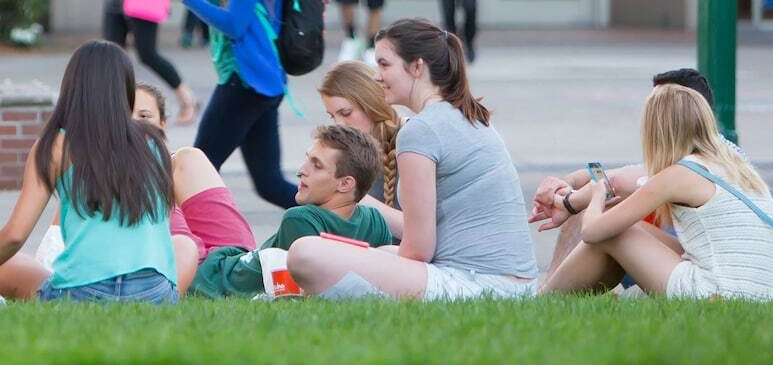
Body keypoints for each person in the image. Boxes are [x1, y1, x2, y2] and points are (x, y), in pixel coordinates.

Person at [286, 18, 538, 301]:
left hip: (478, 284)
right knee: (376, 254)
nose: (377, 76)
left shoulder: (420, 130)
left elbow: (417, 251)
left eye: (384, 64)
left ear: (417, 67)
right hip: (511, 282)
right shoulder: (468, 115)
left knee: (304, 253)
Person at [0, 40, 179, 304]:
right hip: (156, 292)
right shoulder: (154, 141)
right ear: (126, 90)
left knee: (1, 266)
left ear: (72, 88)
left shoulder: (57, 145)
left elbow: (16, 233)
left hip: (84, 291)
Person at [538, 84, 773, 301]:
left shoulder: (679, 174)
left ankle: (545, 299)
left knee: (611, 232)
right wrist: (573, 201)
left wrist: (595, 193)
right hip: (772, 293)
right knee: (622, 223)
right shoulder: (734, 165)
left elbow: (592, 232)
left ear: (656, 130)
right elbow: (629, 183)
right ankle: (566, 298)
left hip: (717, 292)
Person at [153, 0, 297, 211]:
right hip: (256, 80)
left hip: (246, 80)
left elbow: (234, 23)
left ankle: (180, 247)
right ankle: (349, 220)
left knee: (193, 171)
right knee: (269, 184)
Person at [528, 67, 739, 269]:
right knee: (606, 206)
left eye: (658, 108)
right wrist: (565, 184)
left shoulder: (698, 163)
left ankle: (548, 293)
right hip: (697, 256)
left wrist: (568, 202)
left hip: (708, 269)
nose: (649, 118)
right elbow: (614, 177)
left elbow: (615, 184)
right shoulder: (713, 151)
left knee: (600, 216)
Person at [185, 125, 394, 299]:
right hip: (215, 271)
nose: (301, 170)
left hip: (208, 278)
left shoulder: (301, 219)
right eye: (307, 160)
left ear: (345, 183)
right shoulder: (375, 221)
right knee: (188, 159)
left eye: (317, 166)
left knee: (186, 160)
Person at [318, 60, 402, 206]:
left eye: (346, 113)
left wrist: (350, 196)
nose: (338, 124)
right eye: (332, 116)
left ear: (371, 104)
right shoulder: (349, 150)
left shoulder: (409, 142)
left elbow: (418, 226)